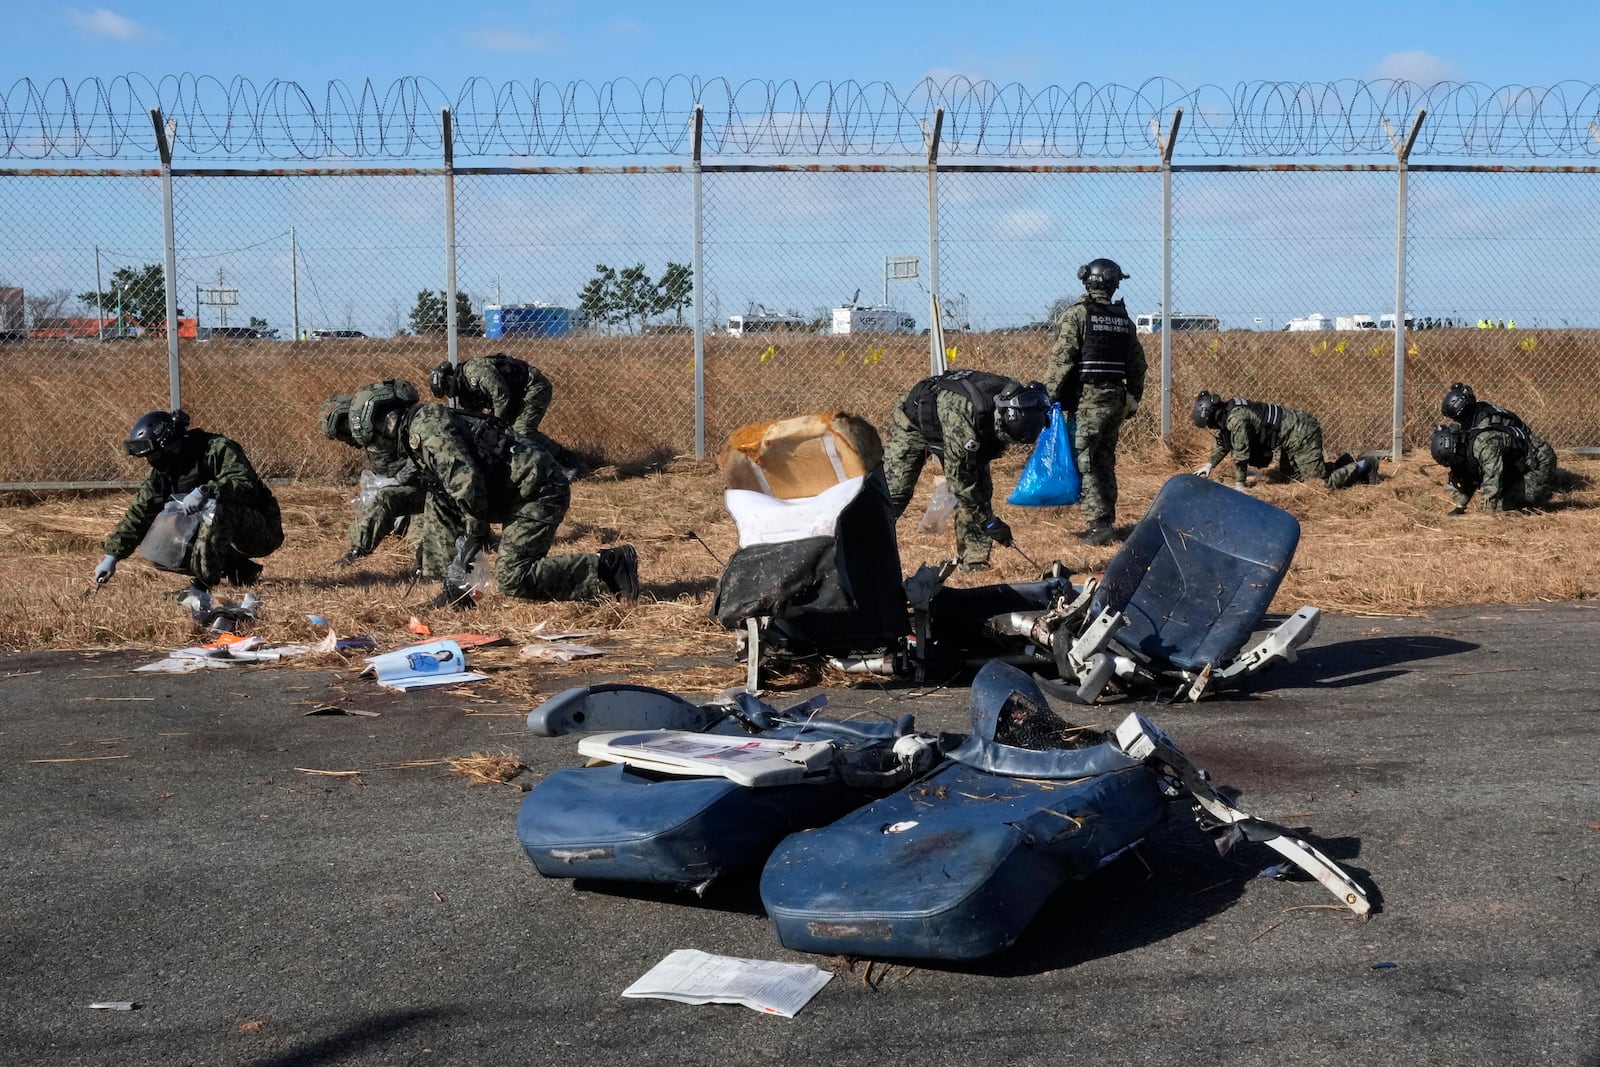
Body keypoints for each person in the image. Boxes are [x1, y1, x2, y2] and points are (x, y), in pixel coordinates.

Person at [346, 381, 638, 607]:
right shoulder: (419, 426)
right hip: (511, 490)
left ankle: (610, 567)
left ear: (387, 423)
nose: (378, 448)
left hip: (537, 491)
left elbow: (464, 478)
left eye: (374, 440)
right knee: (439, 498)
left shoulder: (426, 429)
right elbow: (445, 487)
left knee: (514, 577)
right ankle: (456, 589)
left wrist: (475, 531)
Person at [93, 410, 283, 590]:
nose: (152, 460)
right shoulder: (163, 473)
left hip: (261, 530)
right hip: (220, 533)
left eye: (154, 454)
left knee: (215, 511)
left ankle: (202, 587)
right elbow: (140, 512)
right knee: (160, 545)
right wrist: (112, 556)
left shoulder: (216, 449)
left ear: (169, 444)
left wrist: (207, 491)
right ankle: (239, 569)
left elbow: (244, 484)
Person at [883, 370, 1050, 571]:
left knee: (981, 491)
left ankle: (975, 561)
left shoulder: (1013, 397)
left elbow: (975, 486)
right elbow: (959, 484)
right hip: (914, 423)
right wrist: (990, 521)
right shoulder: (963, 416)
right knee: (894, 493)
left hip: (964, 426)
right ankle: (864, 546)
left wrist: (987, 516)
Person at [1044, 257, 1146, 545]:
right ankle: (1107, 519)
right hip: (1115, 401)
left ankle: (1098, 525)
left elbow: (1061, 361)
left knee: (1083, 462)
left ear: (1087, 280)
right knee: (1104, 460)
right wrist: (1132, 399)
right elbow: (1138, 366)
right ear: (1114, 285)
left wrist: (1046, 398)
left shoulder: (1077, 316)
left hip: (1087, 402)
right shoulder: (1124, 321)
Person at [319, 387, 458, 576]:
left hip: (433, 490)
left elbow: (419, 462)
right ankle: (356, 551)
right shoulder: (376, 439)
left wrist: (397, 480)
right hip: (413, 489)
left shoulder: (410, 426)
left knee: (419, 539)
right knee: (382, 501)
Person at [1191, 391, 1379, 489]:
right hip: (1290, 437)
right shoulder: (1229, 412)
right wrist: (1209, 465)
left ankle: (1365, 465)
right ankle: (1343, 464)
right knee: (1293, 478)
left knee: (1320, 484)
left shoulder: (1237, 418)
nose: (1211, 428)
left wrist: (1240, 484)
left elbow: (1241, 454)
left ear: (1213, 415)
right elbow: (1225, 441)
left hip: (1302, 432)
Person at [1435, 383, 1556, 512]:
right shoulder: (1472, 428)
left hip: (1538, 460)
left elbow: (1492, 478)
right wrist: (1460, 506)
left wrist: (1485, 517)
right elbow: (1468, 472)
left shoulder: (1485, 434)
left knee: (1504, 507)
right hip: (1517, 456)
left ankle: (1543, 487)